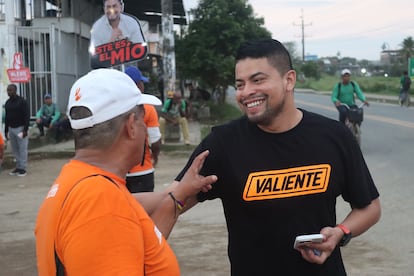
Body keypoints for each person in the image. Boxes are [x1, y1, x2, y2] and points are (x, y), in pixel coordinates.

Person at [174, 38, 381, 275]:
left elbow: (370, 207)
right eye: (240, 84)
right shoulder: (222, 144)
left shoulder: (334, 136)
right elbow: (172, 202)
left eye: (258, 80)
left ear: (289, 80)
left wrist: (340, 232)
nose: (246, 92)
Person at [34, 68, 217, 275]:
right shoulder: (102, 206)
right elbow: (114, 217)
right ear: (131, 126)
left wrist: (178, 195)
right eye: (142, 120)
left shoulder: (80, 182)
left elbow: (138, 243)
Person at [124, 66, 161, 192]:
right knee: (143, 211)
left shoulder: (116, 108)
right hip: (143, 170)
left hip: (119, 171)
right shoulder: (148, 108)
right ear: (139, 85)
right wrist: (155, 156)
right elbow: (155, 140)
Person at [4, 84, 30, 177]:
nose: (8, 92)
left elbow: (27, 115)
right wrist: (6, 130)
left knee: (22, 148)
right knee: (15, 149)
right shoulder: (7, 103)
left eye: (10, 90)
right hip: (11, 128)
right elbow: (6, 118)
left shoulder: (22, 102)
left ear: (15, 90)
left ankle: (22, 168)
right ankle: (18, 166)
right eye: (8, 90)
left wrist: (25, 129)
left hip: (20, 128)